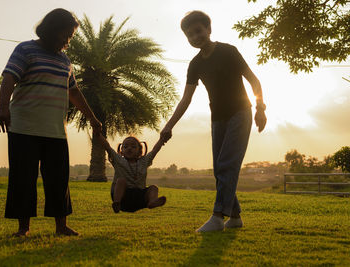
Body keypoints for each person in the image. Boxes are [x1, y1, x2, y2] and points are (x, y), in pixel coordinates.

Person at [0, 8, 102, 237]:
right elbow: (9, 78)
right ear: (52, 29)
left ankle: (61, 226)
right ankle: (23, 228)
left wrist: (92, 117)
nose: (67, 40)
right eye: (66, 34)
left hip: (55, 130)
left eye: (71, 36)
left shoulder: (65, 61)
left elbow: (74, 92)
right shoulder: (25, 49)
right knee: (23, 178)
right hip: (24, 127)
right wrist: (2, 107)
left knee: (58, 179)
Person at [161, 11, 267, 232]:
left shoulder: (228, 51)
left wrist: (260, 109)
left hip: (241, 112)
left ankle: (218, 217)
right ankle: (235, 217)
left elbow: (254, 81)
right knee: (219, 169)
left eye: (198, 31)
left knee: (227, 164)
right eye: (189, 35)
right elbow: (186, 99)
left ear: (208, 29)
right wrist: (169, 126)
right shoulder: (195, 64)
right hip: (217, 118)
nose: (195, 37)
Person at [96, 132, 167, 213]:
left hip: (139, 199)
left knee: (153, 188)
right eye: (125, 147)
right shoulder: (118, 160)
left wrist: (162, 140)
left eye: (133, 146)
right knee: (121, 181)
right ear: (121, 150)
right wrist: (98, 133)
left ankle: (152, 202)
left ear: (140, 151)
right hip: (124, 198)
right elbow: (107, 147)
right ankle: (116, 203)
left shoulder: (144, 161)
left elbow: (155, 150)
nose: (129, 148)